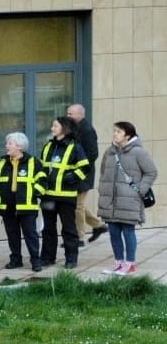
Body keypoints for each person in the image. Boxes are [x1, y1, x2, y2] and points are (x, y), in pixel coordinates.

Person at [97, 122, 158, 276]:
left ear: (128, 135)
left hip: (129, 200)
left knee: (128, 231)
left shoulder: (138, 152)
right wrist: (103, 189)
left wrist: (138, 190)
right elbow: (103, 172)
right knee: (113, 232)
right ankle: (118, 263)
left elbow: (151, 172)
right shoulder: (110, 152)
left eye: (118, 131)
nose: (115, 134)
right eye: (115, 131)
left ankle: (129, 264)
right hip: (110, 200)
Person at [0, 132, 48, 271]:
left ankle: (36, 261)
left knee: (30, 235)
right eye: (7, 143)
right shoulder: (3, 162)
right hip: (7, 206)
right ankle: (16, 260)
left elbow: (43, 181)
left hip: (27, 206)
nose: (6, 146)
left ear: (20, 146)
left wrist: (32, 194)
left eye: (10, 143)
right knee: (12, 235)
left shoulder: (33, 162)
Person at [39, 116, 90, 269]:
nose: (51, 128)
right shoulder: (48, 146)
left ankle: (71, 259)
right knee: (48, 228)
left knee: (68, 229)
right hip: (48, 195)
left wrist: (72, 178)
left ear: (64, 128)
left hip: (66, 196)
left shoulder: (75, 147)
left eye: (55, 126)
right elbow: (41, 168)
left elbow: (85, 168)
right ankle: (47, 258)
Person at [67, 104, 107, 243]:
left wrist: (80, 169)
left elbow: (92, 153)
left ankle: (79, 237)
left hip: (83, 174)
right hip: (75, 173)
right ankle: (98, 225)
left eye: (70, 114)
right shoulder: (74, 128)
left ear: (80, 114)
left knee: (78, 206)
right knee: (78, 205)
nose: (68, 116)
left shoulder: (87, 130)